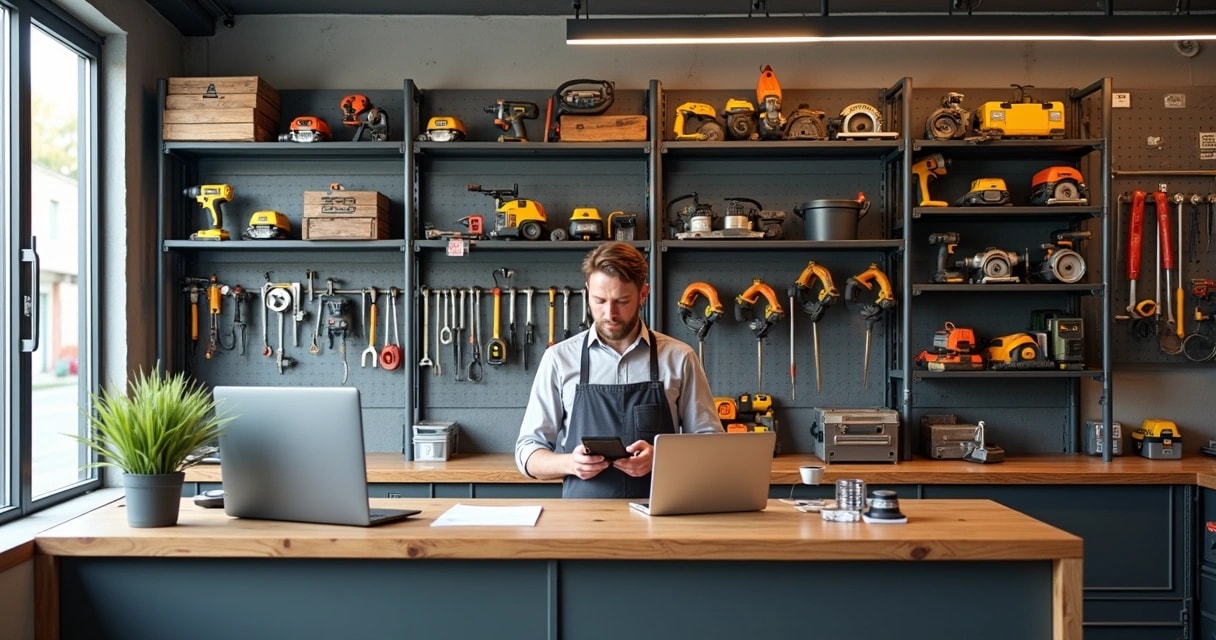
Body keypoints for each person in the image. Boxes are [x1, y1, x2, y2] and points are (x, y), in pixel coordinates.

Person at [515, 241, 722, 498]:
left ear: (643, 294)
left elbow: (712, 448)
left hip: (661, 519)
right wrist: (570, 463)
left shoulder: (679, 357)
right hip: (582, 523)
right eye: (599, 300)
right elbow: (528, 452)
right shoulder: (559, 359)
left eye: (622, 301)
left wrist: (662, 458)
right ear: (588, 290)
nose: (609, 313)